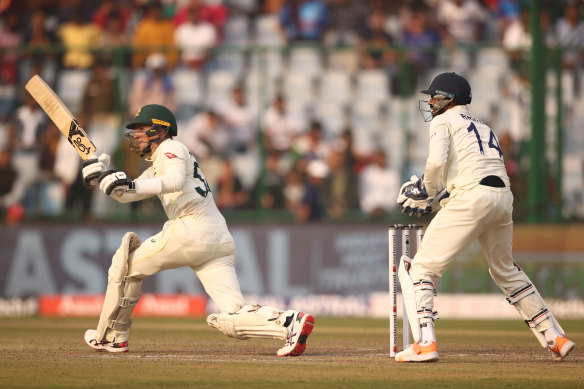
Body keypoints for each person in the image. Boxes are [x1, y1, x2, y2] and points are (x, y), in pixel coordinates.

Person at [81, 104, 314, 356]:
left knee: (125, 266)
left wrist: (126, 183)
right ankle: (289, 323)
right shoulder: (160, 163)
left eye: (142, 128)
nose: (136, 135)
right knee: (234, 311)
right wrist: (102, 178)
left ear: (160, 130)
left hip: (191, 228)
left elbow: (173, 182)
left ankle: (114, 336)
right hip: (218, 238)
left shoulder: (171, 148)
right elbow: (127, 193)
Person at [394, 72, 575, 362]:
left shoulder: (443, 121)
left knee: (420, 269)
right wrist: (439, 196)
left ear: (449, 99)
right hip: (502, 199)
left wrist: (425, 191)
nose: (430, 102)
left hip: (472, 197)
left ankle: (425, 343)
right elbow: (477, 170)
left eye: (435, 96)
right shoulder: (483, 126)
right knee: (505, 269)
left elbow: (438, 162)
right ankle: (555, 335)